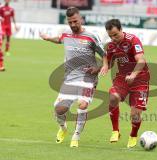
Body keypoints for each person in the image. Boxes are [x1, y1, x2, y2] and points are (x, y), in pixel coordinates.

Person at [40, 7, 108, 148]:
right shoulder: (66, 35)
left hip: (88, 78)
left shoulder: (91, 36)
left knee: (82, 104)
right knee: (59, 110)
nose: (73, 25)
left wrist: (101, 67)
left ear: (81, 19)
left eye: (75, 21)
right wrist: (47, 38)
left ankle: (76, 137)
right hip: (70, 78)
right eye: (70, 22)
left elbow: (105, 55)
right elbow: (59, 40)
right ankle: (63, 128)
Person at [105, 19, 150, 148]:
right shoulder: (111, 46)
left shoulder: (133, 40)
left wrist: (134, 74)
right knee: (113, 97)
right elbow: (108, 63)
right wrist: (98, 68)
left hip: (140, 78)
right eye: (110, 36)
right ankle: (115, 131)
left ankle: (133, 135)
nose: (114, 38)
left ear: (121, 29)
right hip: (123, 78)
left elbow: (141, 60)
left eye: (116, 35)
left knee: (135, 115)